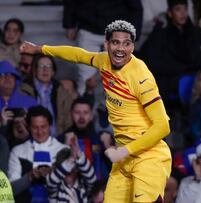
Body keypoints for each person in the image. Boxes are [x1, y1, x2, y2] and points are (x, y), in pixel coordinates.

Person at [20, 20, 171, 203]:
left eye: (126, 43)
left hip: (148, 157)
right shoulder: (103, 60)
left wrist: (123, 151)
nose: (120, 48)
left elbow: (163, 126)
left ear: (132, 46)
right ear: (106, 44)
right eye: (115, 42)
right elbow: (77, 54)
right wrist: (40, 49)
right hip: (124, 160)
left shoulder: (141, 77)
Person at [7, 106, 68, 202]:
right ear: (28, 127)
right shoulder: (17, 151)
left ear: (50, 126)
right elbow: (10, 190)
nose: (39, 132)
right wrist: (30, 176)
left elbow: (72, 185)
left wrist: (54, 173)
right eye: (35, 127)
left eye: (43, 127)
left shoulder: (63, 150)